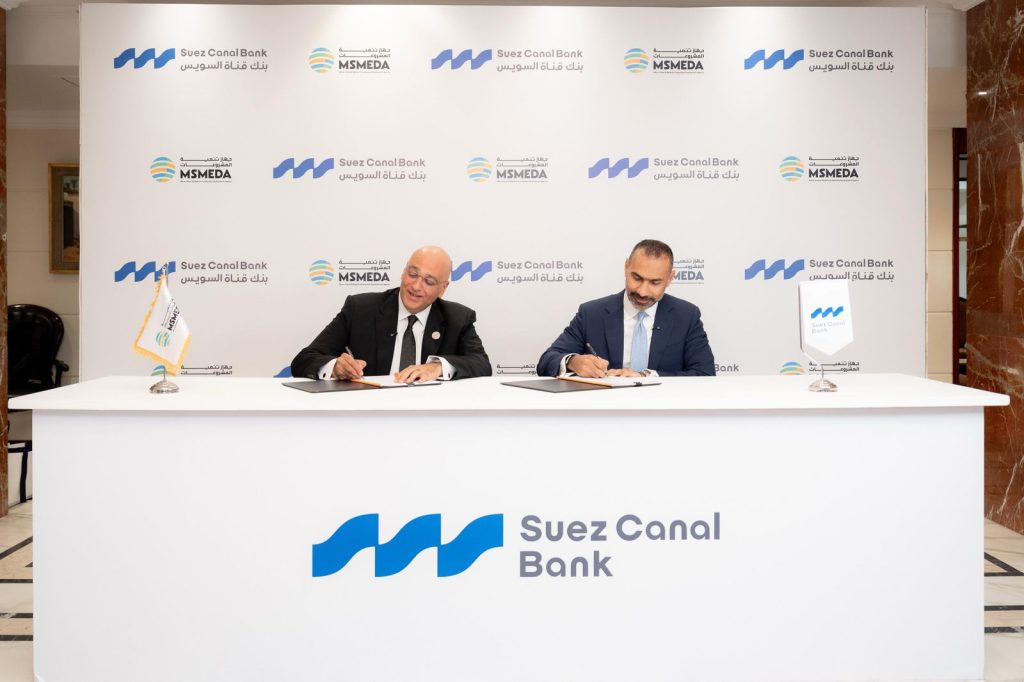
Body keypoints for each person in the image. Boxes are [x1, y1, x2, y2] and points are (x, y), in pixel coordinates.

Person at [291, 245, 491, 383]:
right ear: (403, 272)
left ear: (443, 289)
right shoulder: (360, 309)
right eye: (412, 274)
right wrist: (335, 366)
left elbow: (482, 365)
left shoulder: (458, 318)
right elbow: (304, 359)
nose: (416, 286)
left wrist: (437, 367)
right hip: (369, 414)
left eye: (429, 281)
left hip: (430, 416)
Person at [537, 239, 715, 378]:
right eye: (637, 278)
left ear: (670, 278)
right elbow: (546, 361)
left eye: (655, 282)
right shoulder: (591, 313)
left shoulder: (687, 316)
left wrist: (646, 377)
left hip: (663, 410)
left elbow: (705, 374)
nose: (642, 291)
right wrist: (573, 362)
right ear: (626, 267)